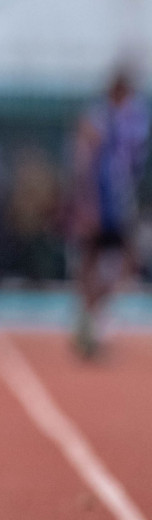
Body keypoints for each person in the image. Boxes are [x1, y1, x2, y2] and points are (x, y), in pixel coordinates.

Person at [68, 70, 148, 359]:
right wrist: (87, 202)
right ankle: (90, 321)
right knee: (96, 262)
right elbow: (85, 159)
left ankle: (91, 319)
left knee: (118, 262)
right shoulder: (103, 118)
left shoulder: (127, 117)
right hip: (105, 201)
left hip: (117, 201)